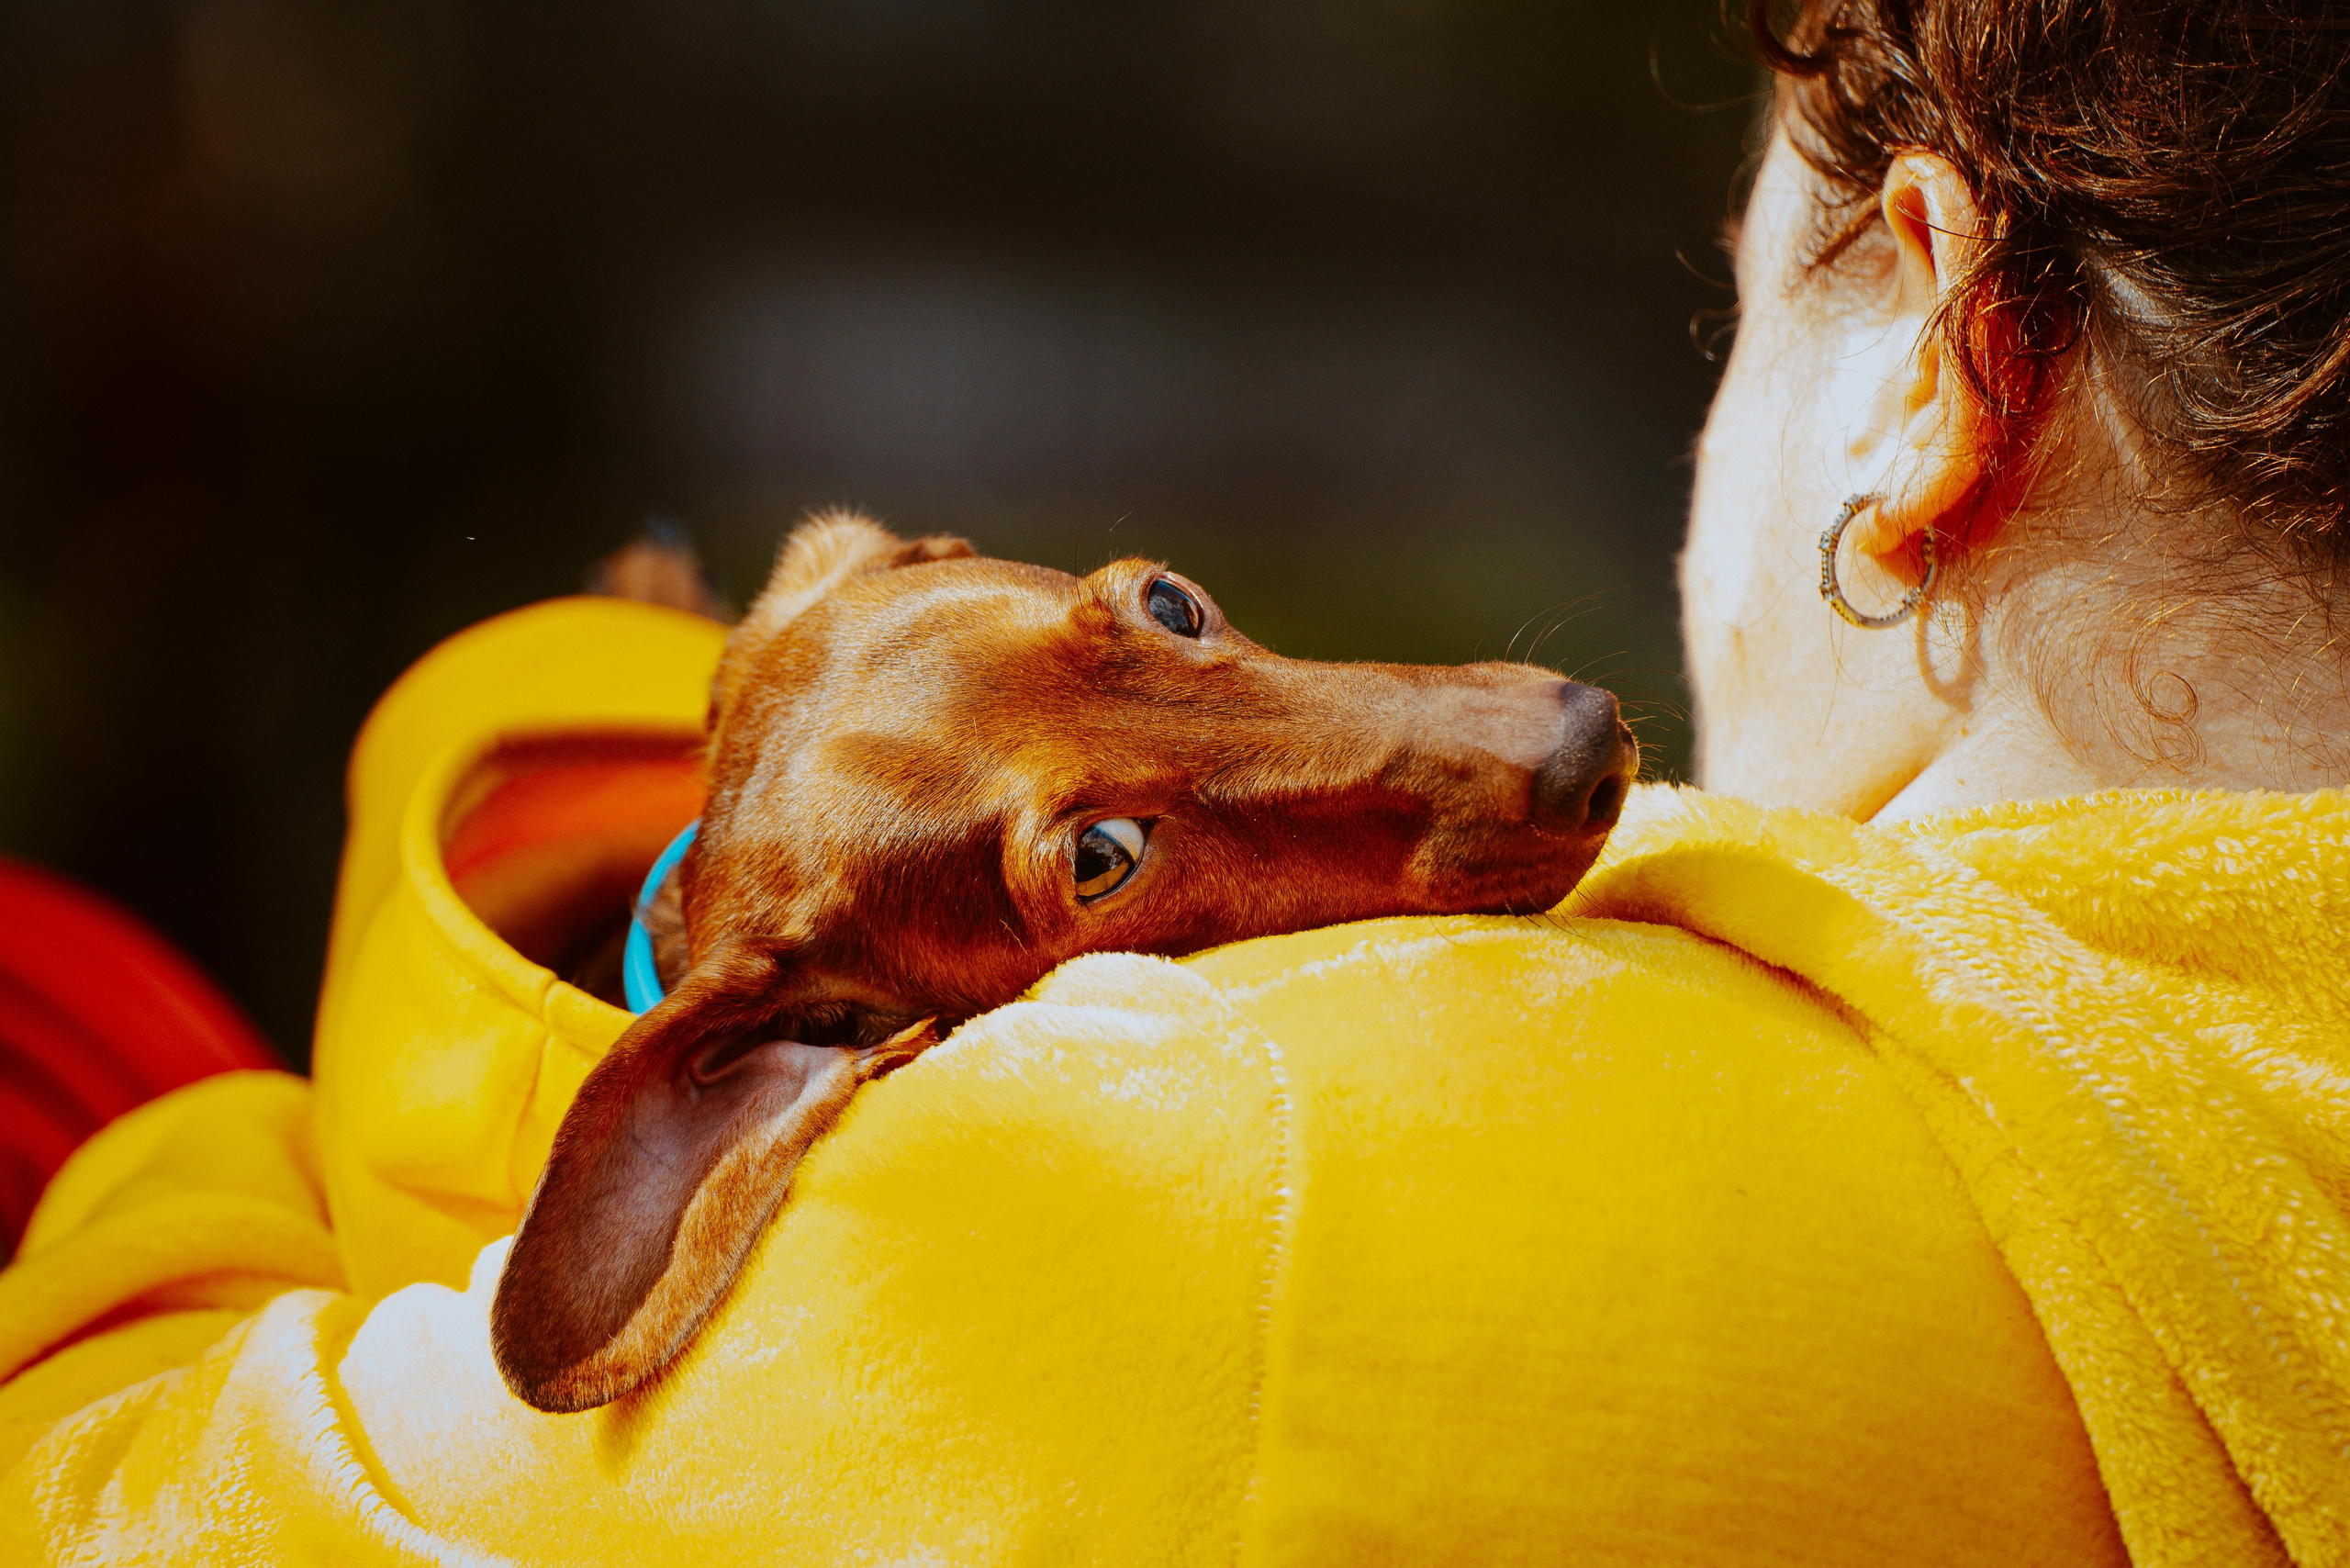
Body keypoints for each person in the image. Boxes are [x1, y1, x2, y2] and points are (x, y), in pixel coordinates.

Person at [0, 1, 2343, 1562]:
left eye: (1735, 322)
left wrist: (200, 1129)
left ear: (1933, 362)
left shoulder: (1236, 1173)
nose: (1540, 733)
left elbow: (97, 1497)